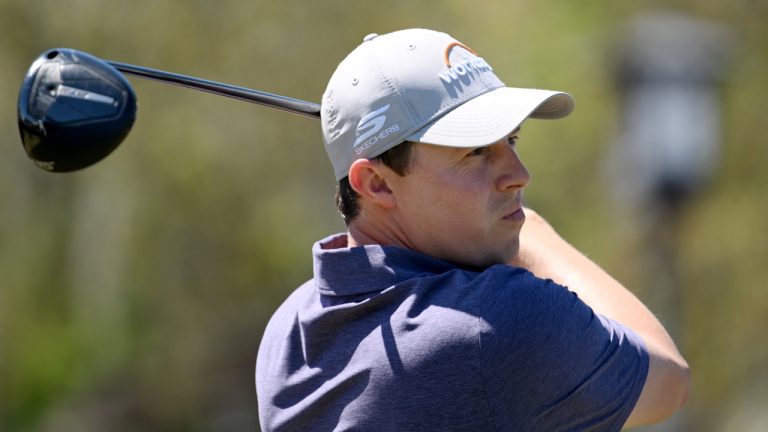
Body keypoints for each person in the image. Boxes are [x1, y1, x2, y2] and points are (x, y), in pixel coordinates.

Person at [256, 28, 689, 431]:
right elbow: (668, 377)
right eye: (477, 151)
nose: (519, 175)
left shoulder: (288, 329)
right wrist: (535, 234)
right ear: (377, 183)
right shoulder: (497, 321)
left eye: (511, 141)